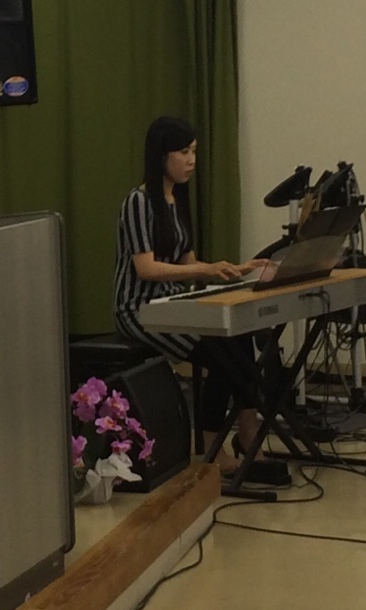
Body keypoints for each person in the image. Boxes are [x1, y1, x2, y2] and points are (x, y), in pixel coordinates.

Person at [113, 116, 285, 481]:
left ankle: (247, 429)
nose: (191, 160)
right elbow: (146, 268)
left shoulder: (177, 199)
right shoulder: (138, 202)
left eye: (194, 151)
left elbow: (187, 263)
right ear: (161, 155)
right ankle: (214, 446)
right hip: (140, 310)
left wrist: (234, 269)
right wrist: (206, 270)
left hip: (173, 303)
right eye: (183, 152)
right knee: (220, 350)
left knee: (238, 334)